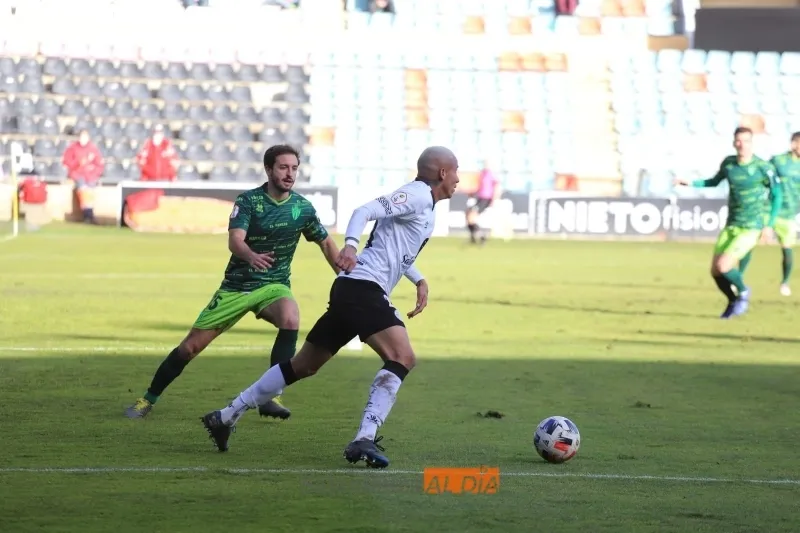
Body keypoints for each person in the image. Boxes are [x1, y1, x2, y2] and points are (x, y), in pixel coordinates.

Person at [200, 146, 461, 468]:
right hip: (363, 288)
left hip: (354, 289)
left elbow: (390, 247)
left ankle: (225, 416)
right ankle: (364, 437)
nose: (459, 180)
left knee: (304, 365)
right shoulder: (418, 194)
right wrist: (350, 246)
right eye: (457, 172)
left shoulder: (426, 204)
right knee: (402, 357)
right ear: (443, 173)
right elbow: (362, 212)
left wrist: (418, 279)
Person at [125, 145, 341, 420]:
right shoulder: (249, 201)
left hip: (273, 285)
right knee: (189, 348)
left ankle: (271, 396)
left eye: (294, 168)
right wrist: (250, 255)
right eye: (283, 167)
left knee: (290, 317)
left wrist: (347, 277)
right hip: (237, 287)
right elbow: (235, 240)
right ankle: (147, 399)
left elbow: (325, 242)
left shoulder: (302, 208)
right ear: (269, 169)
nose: (290, 174)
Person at [675, 127, 781, 319]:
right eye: (738, 141)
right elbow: (714, 181)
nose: (742, 145)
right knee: (715, 271)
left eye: (746, 141)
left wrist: (769, 224)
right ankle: (733, 300)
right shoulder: (729, 164)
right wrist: (691, 183)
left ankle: (743, 292)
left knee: (724, 266)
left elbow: (777, 195)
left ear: (751, 143)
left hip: (751, 227)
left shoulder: (762, 168)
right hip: (731, 224)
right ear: (734, 143)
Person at [738, 132, 800, 296]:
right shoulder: (778, 161)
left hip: (789, 214)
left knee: (787, 249)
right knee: (749, 243)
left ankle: (785, 282)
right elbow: (762, 176)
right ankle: (738, 278)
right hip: (768, 210)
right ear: (794, 144)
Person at [62, 129, 104, 224]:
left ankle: (89, 215)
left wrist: (94, 172)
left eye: (85, 137)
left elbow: (99, 164)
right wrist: (78, 163)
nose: (83, 139)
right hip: (78, 174)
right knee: (84, 190)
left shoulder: (93, 149)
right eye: (82, 137)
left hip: (91, 176)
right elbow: (67, 162)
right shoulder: (73, 148)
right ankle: (88, 215)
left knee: (90, 190)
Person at [465, 160, 499, 245]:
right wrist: (473, 193)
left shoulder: (491, 174)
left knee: (471, 217)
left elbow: (496, 186)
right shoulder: (482, 174)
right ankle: (474, 237)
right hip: (480, 198)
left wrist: (494, 199)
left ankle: (481, 236)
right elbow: (480, 186)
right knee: (468, 214)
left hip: (486, 199)